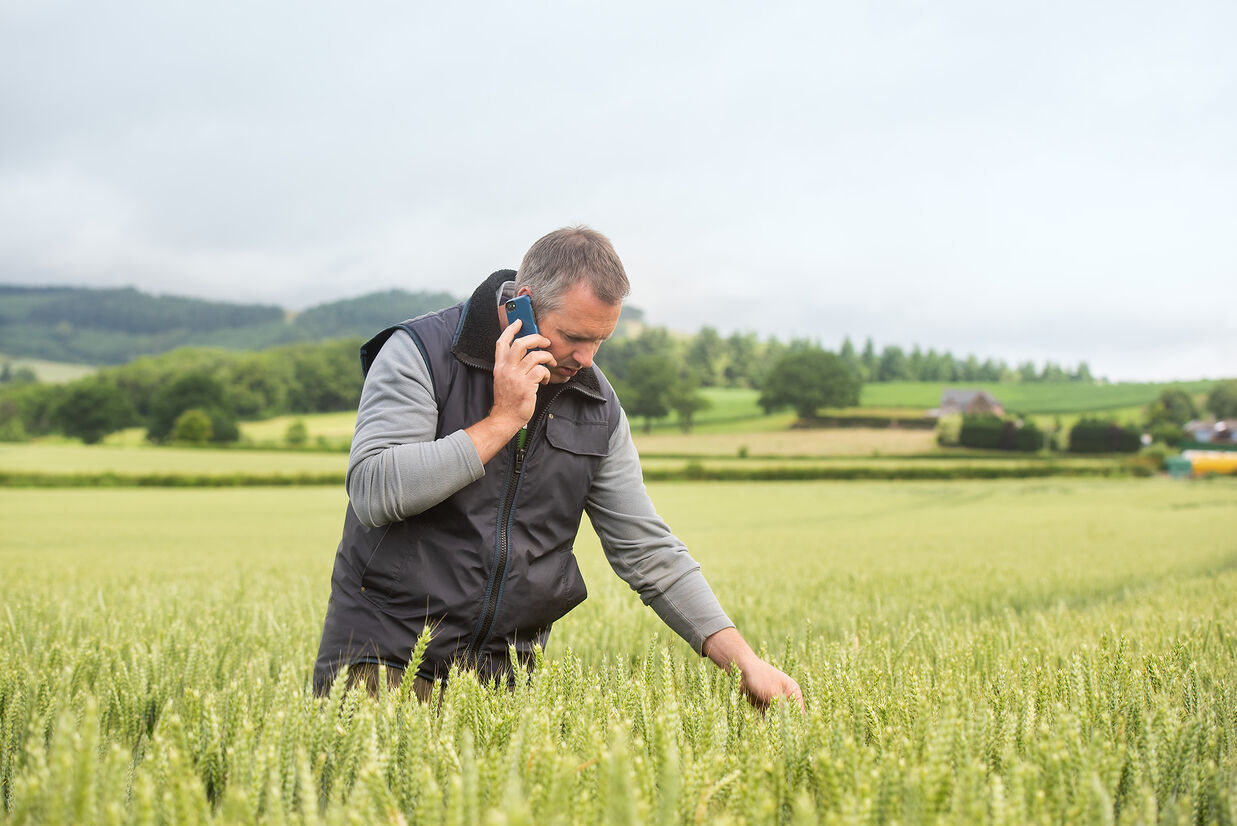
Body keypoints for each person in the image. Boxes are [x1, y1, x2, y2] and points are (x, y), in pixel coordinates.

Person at [312, 226, 802, 711]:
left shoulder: (598, 406)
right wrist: (501, 420)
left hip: (503, 687)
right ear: (522, 303)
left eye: (600, 341)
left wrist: (744, 660)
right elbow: (375, 490)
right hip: (383, 662)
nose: (586, 359)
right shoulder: (421, 353)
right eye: (572, 336)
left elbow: (648, 550)